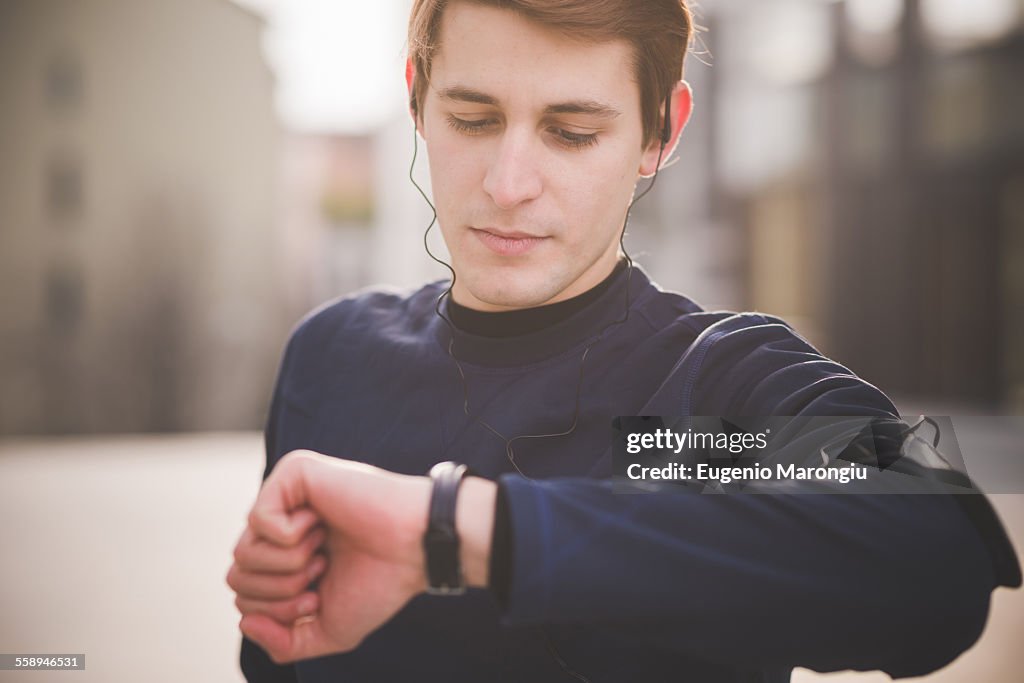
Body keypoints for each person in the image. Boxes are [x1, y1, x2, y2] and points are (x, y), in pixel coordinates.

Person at [226, 1, 1021, 681]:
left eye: (571, 133)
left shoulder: (704, 395)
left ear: (659, 134)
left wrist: (452, 531)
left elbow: (933, 550)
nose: (508, 183)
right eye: (473, 118)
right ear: (417, 101)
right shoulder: (331, 356)